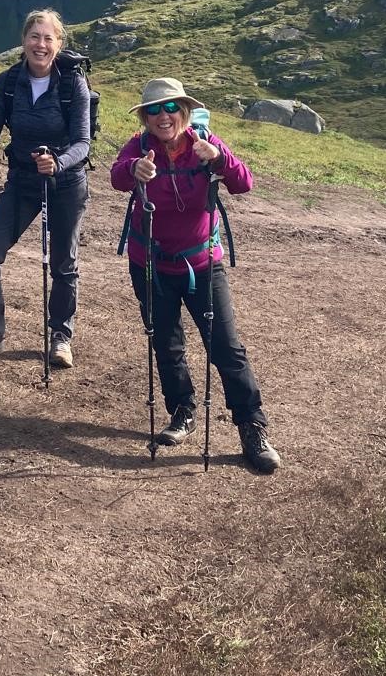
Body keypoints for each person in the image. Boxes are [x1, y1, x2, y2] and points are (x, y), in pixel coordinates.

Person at [111, 77, 281, 474]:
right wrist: (134, 169)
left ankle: (252, 428)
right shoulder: (139, 148)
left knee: (225, 346)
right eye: (153, 110)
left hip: (202, 263)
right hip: (150, 263)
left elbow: (244, 183)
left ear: (184, 111)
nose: (162, 116)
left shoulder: (206, 144)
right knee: (166, 343)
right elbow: (116, 178)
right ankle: (182, 412)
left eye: (170, 107)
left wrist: (218, 160)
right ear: (145, 118)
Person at [0, 9, 91, 368]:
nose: (40, 45)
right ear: (24, 40)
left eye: (48, 38)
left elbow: (83, 143)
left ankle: (61, 336)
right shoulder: (8, 82)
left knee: (63, 264)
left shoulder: (74, 85)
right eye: (34, 37)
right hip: (23, 181)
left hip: (66, 182)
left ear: (58, 44)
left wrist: (57, 163)